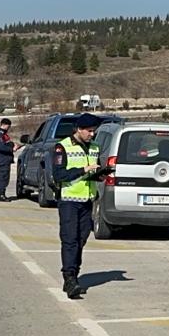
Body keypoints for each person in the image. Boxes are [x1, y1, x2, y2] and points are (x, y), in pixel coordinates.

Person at [52, 113, 105, 298]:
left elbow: (95, 169)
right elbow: (59, 176)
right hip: (69, 200)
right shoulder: (62, 147)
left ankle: (74, 274)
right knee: (70, 240)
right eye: (89, 131)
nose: (92, 134)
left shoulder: (95, 147)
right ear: (79, 129)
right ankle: (69, 279)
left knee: (81, 239)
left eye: (94, 131)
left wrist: (102, 174)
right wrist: (83, 170)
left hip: (87, 200)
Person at [0, 118, 16, 201]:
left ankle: (0, 193)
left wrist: (12, 145)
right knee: (3, 177)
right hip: (2, 159)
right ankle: (0, 194)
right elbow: (1, 147)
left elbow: (7, 143)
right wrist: (11, 149)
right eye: (8, 126)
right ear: (4, 125)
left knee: (4, 177)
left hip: (5, 159)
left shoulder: (3, 134)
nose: (8, 128)